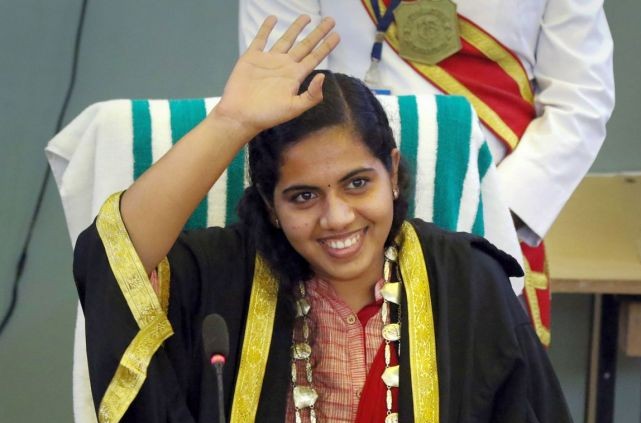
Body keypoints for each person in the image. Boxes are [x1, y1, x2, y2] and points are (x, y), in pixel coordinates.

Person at [74, 16, 585, 423]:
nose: (337, 218)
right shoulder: (227, 279)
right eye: (303, 196)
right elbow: (111, 263)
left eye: (358, 183)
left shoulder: (465, 283)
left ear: (393, 172)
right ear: (269, 203)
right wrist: (229, 123)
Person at [239, 0, 616, 345]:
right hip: (334, 236)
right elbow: (281, 90)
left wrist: (485, 219)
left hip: (486, 226)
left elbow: (580, 101)